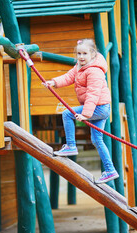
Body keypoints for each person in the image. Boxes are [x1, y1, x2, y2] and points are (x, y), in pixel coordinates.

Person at [44, 39, 118, 184]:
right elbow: (68, 77)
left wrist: (86, 114)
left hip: (99, 107)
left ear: (92, 54)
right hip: (97, 107)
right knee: (97, 140)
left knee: (67, 113)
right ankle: (110, 170)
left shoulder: (94, 70)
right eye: (79, 53)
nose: (81, 56)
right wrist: (53, 82)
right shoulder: (80, 67)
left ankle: (71, 145)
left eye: (84, 53)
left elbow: (93, 93)